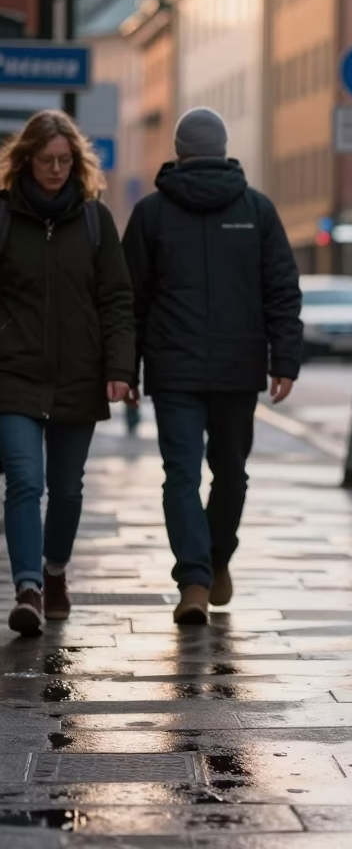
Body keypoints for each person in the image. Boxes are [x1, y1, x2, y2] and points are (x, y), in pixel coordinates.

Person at [122, 108, 302, 626]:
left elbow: (129, 300)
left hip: (175, 367)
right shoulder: (256, 209)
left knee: (181, 475)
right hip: (233, 369)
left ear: (178, 151)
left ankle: (200, 574)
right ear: (222, 150)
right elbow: (282, 290)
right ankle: (206, 571)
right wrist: (284, 360)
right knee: (230, 474)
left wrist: (126, 368)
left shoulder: (151, 213)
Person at [0, 110, 135, 635]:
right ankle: (28, 589)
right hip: (14, 374)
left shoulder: (96, 221)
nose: (56, 169)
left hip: (79, 375)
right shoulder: (6, 217)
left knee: (68, 489)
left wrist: (120, 367)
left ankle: (55, 571)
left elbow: (117, 300)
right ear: (26, 161)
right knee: (24, 480)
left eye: (63, 160)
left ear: (75, 162)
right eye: (46, 160)